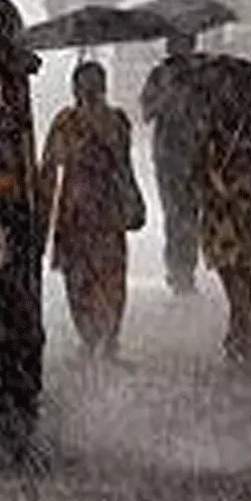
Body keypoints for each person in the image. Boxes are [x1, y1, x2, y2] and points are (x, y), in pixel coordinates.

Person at [38, 62, 144, 360]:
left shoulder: (68, 122)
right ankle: (106, 337)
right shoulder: (115, 121)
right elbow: (125, 167)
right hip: (103, 208)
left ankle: (93, 337)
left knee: (82, 276)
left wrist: (42, 216)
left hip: (79, 209)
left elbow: (48, 170)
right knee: (105, 275)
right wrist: (133, 197)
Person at [194, 116, 251, 366]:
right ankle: (243, 330)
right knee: (248, 273)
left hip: (222, 209)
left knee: (231, 271)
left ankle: (241, 330)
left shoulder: (208, 124)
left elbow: (197, 168)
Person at [142, 33, 202, 298]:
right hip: (169, 156)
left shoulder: (201, 77)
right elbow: (146, 112)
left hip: (195, 155)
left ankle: (186, 268)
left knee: (190, 215)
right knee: (176, 215)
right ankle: (178, 270)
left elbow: (209, 111)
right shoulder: (159, 76)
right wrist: (164, 100)